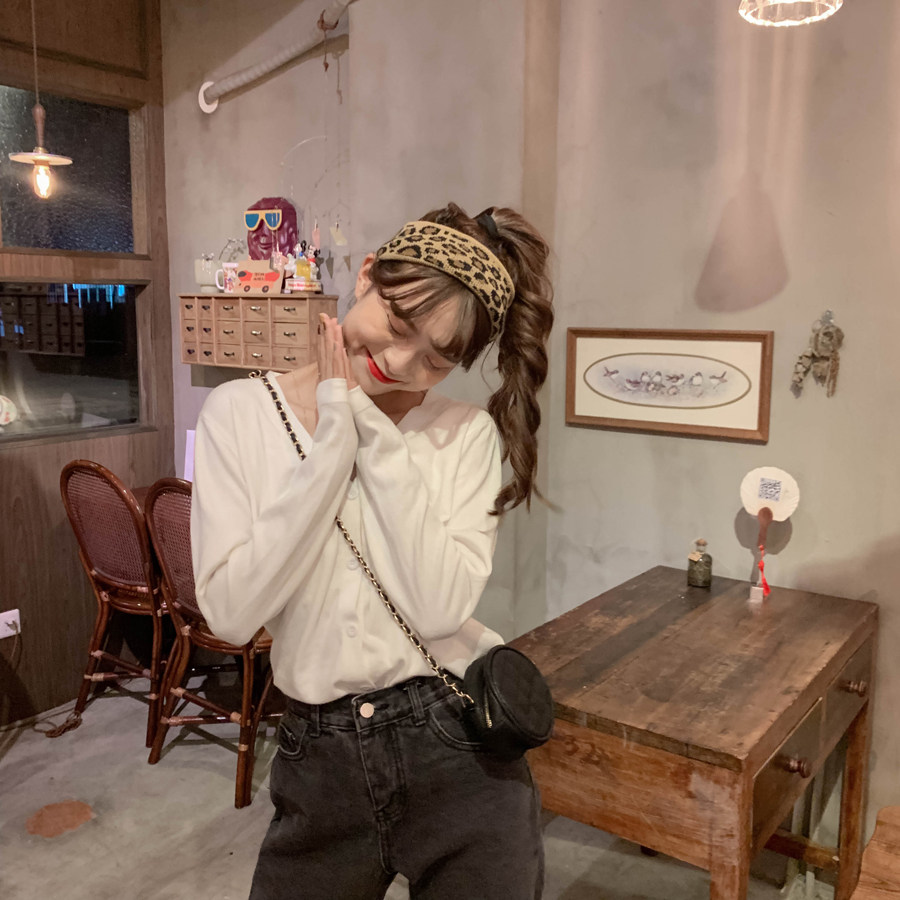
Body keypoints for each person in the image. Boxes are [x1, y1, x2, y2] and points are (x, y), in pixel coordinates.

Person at [191, 202, 554, 899]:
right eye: (397, 322)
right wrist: (333, 444)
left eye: (437, 359)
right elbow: (232, 615)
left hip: (454, 741)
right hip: (318, 754)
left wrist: (363, 423)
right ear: (365, 276)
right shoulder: (238, 415)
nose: (397, 363)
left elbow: (437, 608)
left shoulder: (465, 434)